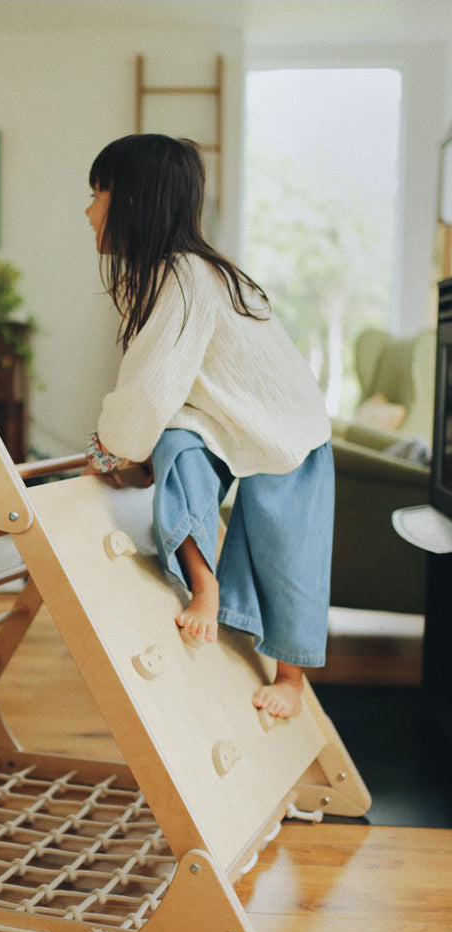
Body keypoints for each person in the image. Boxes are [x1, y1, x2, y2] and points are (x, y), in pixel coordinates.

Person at [82, 134, 333, 719]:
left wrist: (108, 451)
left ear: (134, 204)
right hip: (224, 424)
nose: (89, 210)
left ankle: (290, 680)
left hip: (290, 430)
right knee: (176, 447)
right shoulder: (174, 275)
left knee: (286, 547)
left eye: (99, 194)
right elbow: (162, 390)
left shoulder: (187, 276)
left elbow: (150, 379)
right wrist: (134, 453)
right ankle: (205, 583)